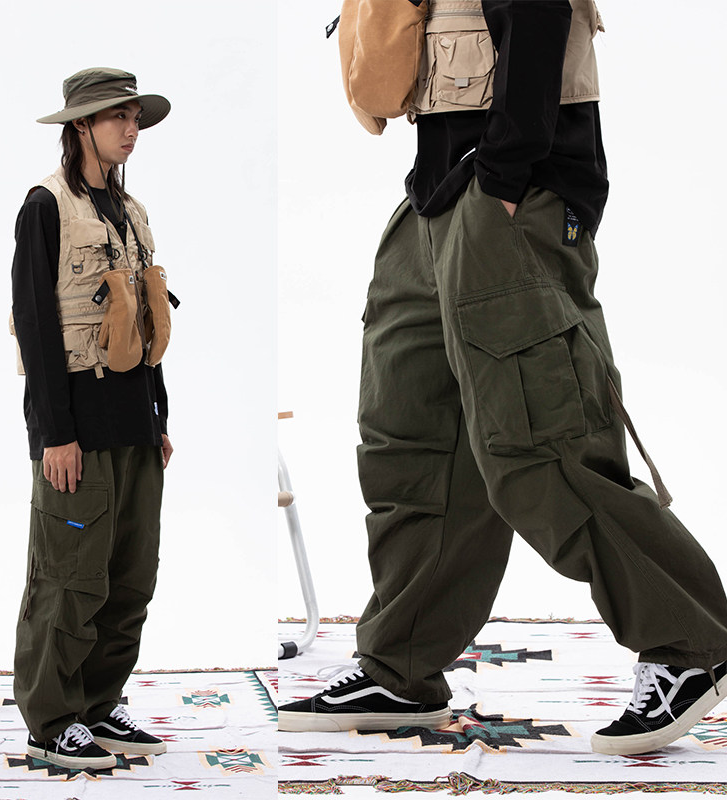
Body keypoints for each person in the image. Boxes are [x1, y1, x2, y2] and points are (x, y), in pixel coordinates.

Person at [279, 0, 727, 756]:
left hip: (514, 191)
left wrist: (505, 178)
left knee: (540, 441)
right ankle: (401, 667)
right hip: (434, 193)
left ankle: (692, 642)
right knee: (412, 441)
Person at [10, 67, 175, 770]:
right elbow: (36, 327)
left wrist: (159, 415)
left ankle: (100, 704)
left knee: (130, 577)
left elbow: (144, 318)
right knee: (69, 579)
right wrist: (55, 434)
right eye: (118, 118)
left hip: (134, 422)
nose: (131, 130)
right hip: (77, 425)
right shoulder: (45, 206)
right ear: (81, 125)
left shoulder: (131, 210)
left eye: (135, 118)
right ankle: (51, 720)